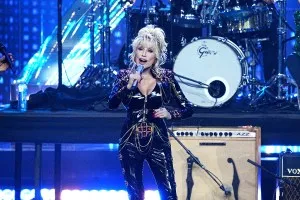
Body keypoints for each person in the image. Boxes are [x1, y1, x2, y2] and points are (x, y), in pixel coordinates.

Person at [108, 24, 194, 200]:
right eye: (140, 49)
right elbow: (112, 103)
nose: (143, 54)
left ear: (156, 56)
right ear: (134, 52)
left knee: (169, 194)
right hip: (130, 141)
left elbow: (188, 108)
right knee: (135, 195)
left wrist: (171, 114)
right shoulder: (124, 76)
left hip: (158, 140)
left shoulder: (166, 77)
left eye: (149, 51)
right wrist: (129, 85)